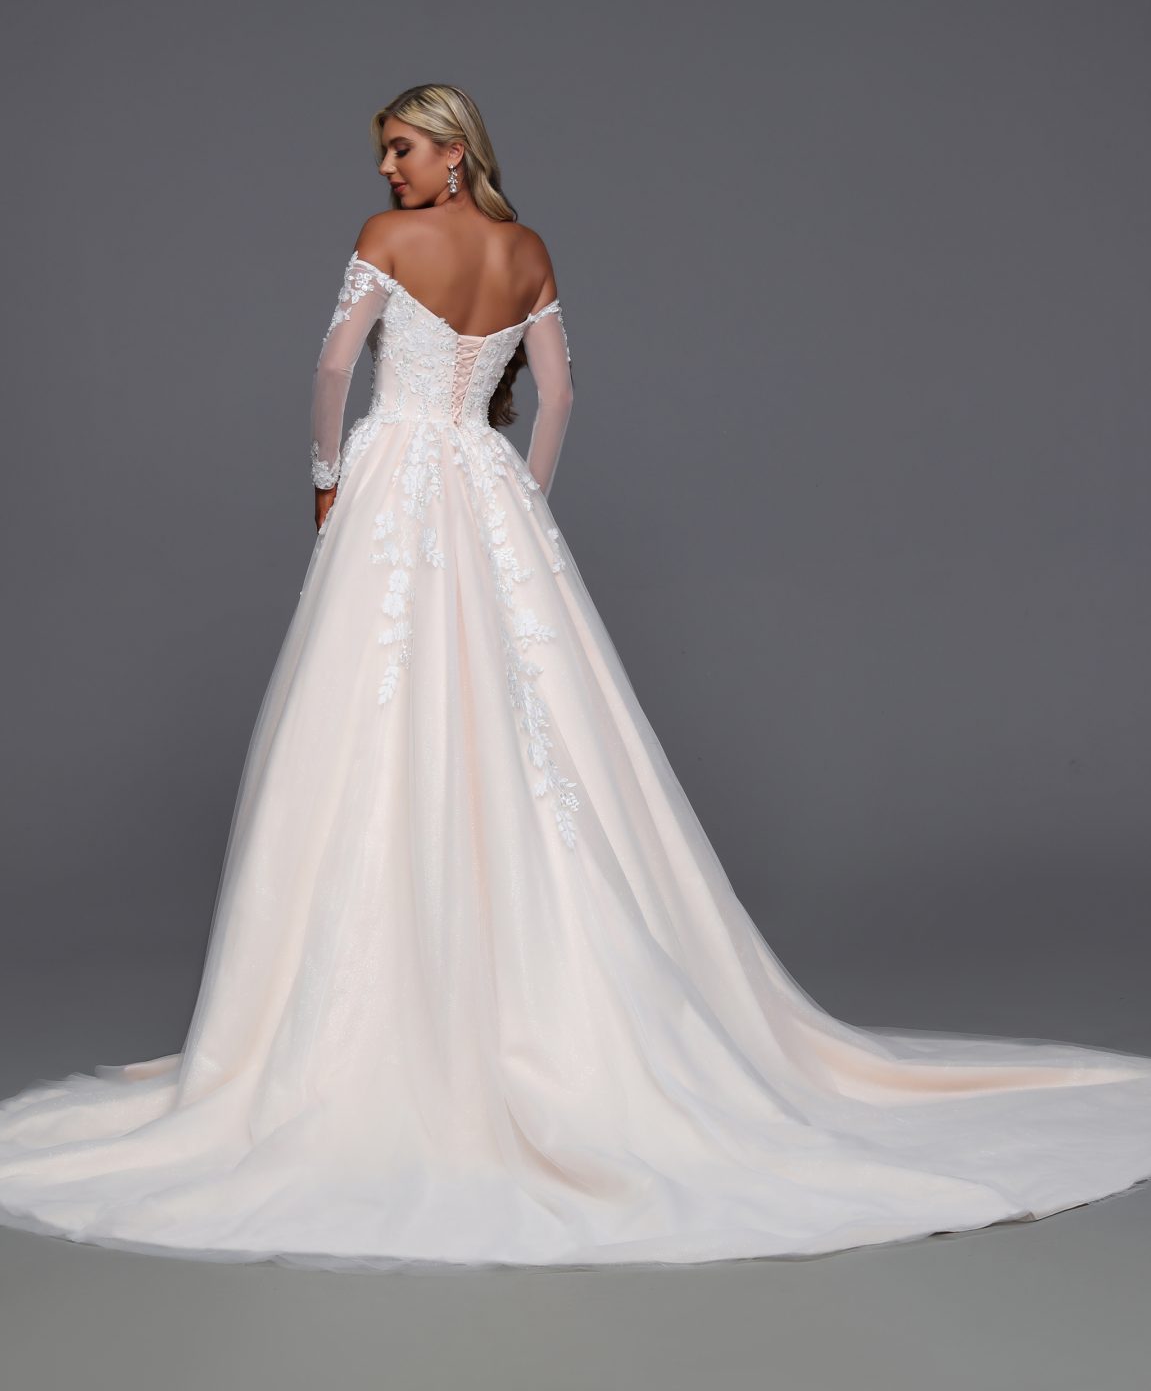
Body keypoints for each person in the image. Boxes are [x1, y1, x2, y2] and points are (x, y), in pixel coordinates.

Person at [0, 83, 1149, 1273]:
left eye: (402, 147)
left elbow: (334, 367)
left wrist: (327, 481)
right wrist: (521, 506)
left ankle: (373, 1021)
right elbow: (557, 395)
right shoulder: (528, 251)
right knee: (514, 728)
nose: (387, 168)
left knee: (370, 720)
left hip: (395, 487)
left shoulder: (386, 239)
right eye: (384, 152)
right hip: (487, 489)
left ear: (454, 152)